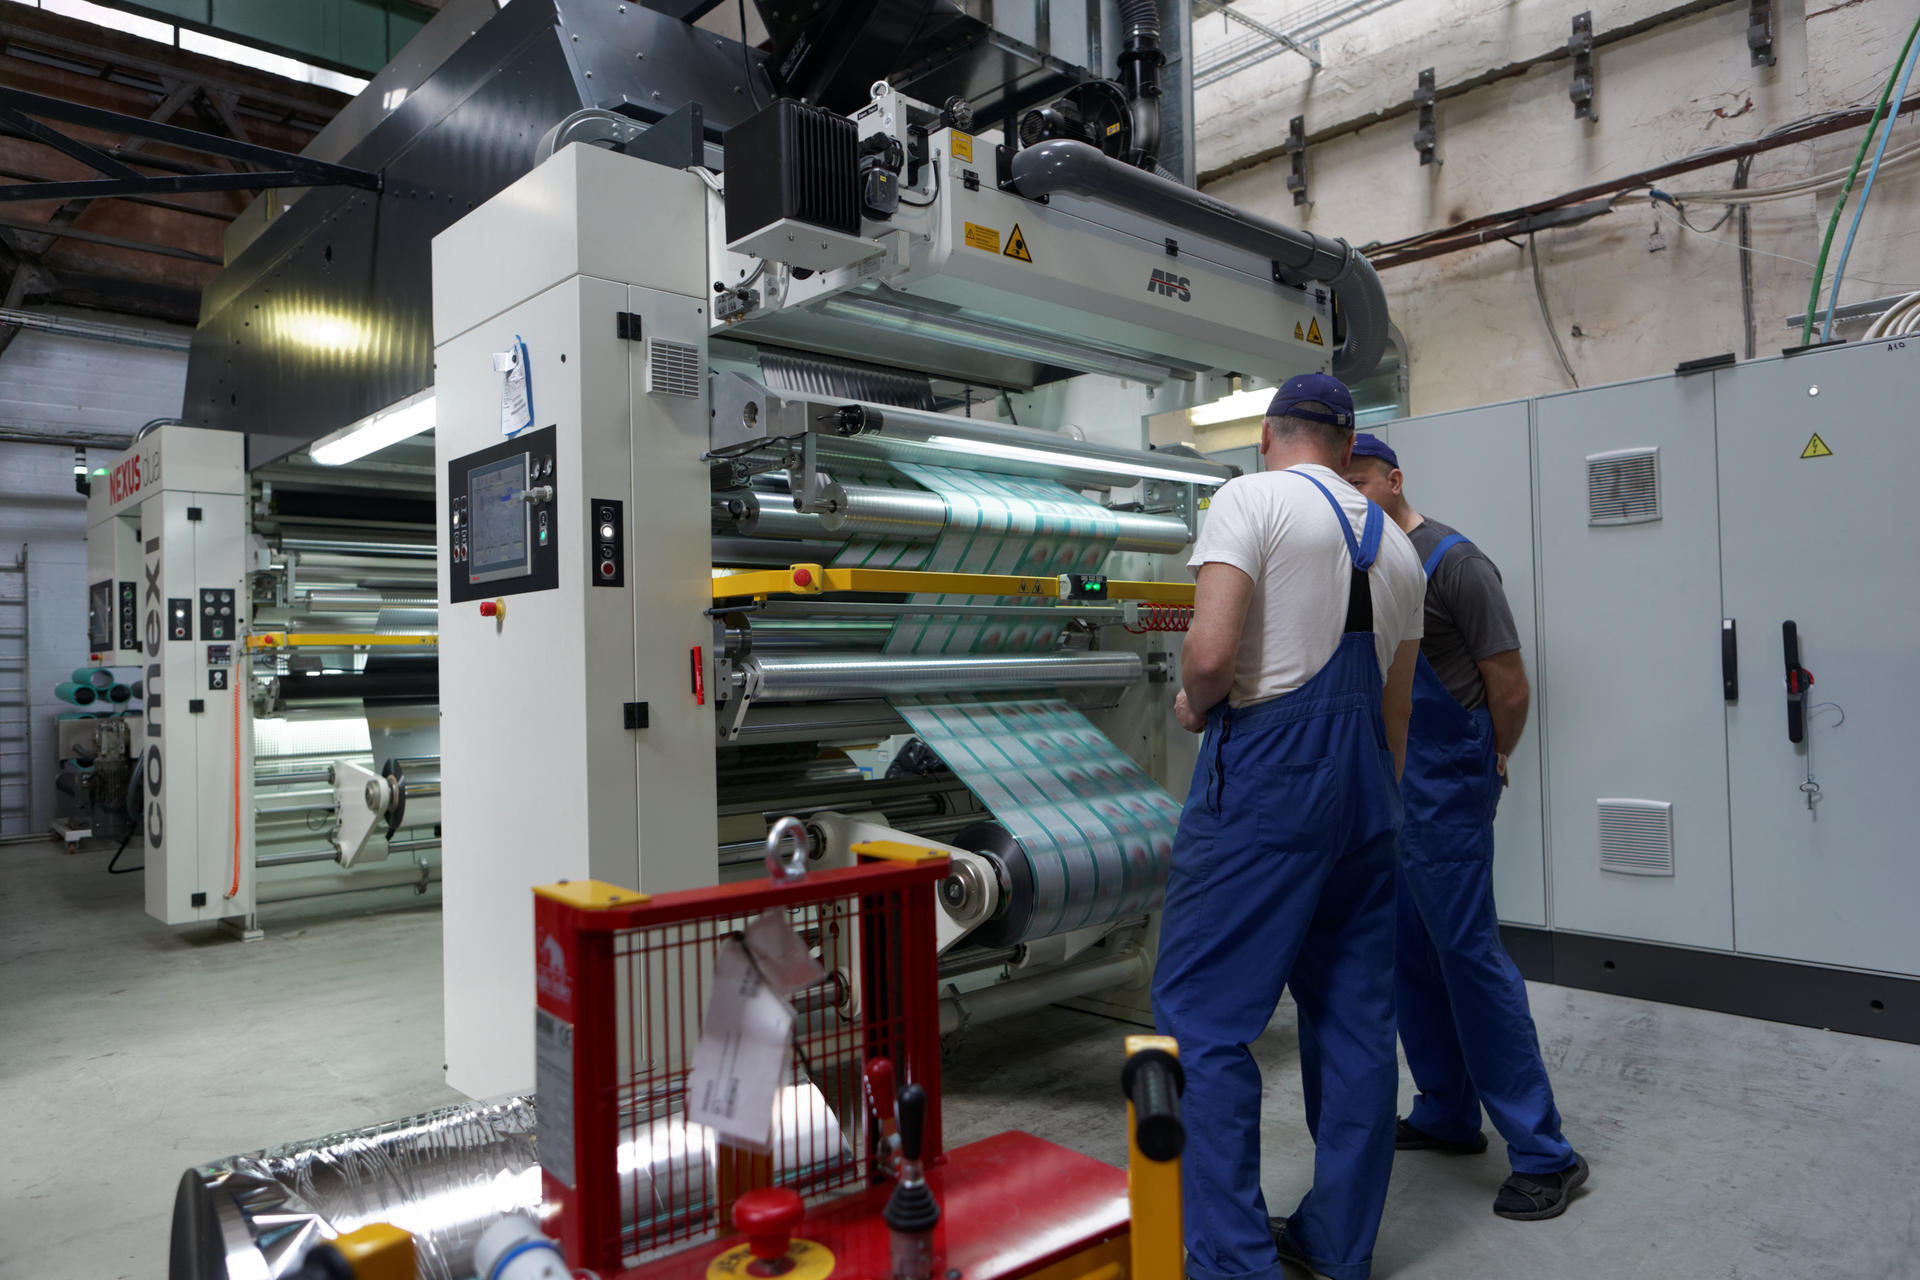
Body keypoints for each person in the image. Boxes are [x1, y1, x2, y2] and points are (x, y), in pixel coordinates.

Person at [1153, 375, 1426, 1280]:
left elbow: (1211, 652)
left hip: (1267, 784)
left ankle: (1232, 1259)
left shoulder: (1248, 498)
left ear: (1267, 435)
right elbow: (1397, 716)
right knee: (1353, 1021)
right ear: (1351, 454)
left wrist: (1195, 707)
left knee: (1201, 1018)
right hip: (1365, 798)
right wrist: (1366, 809)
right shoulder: (1399, 549)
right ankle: (1337, 1247)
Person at [1342, 433, 1589, 1222]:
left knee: (1468, 954)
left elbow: (1508, 686)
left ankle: (1546, 1153)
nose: (1352, 497)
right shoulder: (1365, 568)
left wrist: (1496, 757)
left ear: (1394, 479)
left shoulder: (1456, 563)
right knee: (1410, 953)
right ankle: (1447, 1112)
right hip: (1394, 784)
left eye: (1361, 481)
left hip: (1448, 782)